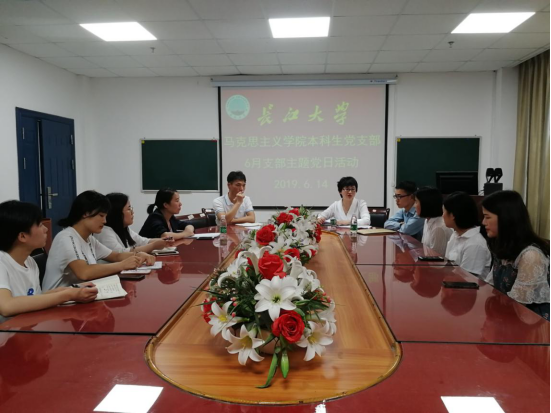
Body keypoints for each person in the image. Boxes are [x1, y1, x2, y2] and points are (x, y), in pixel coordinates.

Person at [0, 201, 98, 324]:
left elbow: (35, 299)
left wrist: (72, 289)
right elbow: (7, 307)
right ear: (22, 236)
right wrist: (68, 295)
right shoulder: (2, 262)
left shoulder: (30, 262)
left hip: (25, 327)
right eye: (40, 225)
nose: (46, 229)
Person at [43, 191, 154, 291]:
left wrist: (138, 255)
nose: (104, 221)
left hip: (79, 295)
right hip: (58, 303)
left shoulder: (89, 238)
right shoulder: (66, 238)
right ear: (86, 213)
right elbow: (84, 273)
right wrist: (122, 265)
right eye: (101, 215)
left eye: (105, 216)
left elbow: (115, 256)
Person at [482, 190, 550, 320]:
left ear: (506, 219)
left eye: (487, 217)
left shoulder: (531, 256)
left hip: (531, 322)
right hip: (506, 314)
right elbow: (490, 287)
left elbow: (518, 305)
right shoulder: (502, 247)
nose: (483, 222)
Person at [95, 193, 170, 253]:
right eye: (128, 209)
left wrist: (164, 241)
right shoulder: (104, 232)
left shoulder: (125, 228)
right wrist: (153, 246)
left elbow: (142, 241)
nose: (132, 212)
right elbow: (121, 254)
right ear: (117, 213)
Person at [443, 192, 491, 277]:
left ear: (453, 215)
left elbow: (466, 278)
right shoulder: (456, 234)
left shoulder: (475, 243)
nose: (442, 216)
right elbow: (448, 265)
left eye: (443, 212)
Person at [415, 187, 452, 256]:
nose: (414, 206)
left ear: (425, 204)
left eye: (416, 202)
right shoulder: (427, 220)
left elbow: (436, 259)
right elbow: (425, 249)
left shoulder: (439, 228)